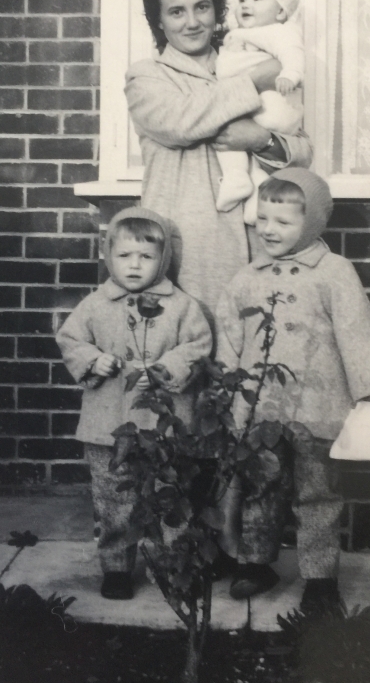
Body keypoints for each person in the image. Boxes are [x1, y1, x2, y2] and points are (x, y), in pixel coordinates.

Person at [216, 168, 370, 612]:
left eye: (284, 221)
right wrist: (227, 394)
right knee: (261, 487)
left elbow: (357, 332)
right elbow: (229, 339)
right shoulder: (248, 278)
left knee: (318, 494)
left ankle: (319, 576)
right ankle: (256, 563)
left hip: (320, 406)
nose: (269, 230)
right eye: (263, 219)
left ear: (312, 223)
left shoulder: (334, 272)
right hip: (263, 411)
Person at [125, 0, 312, 323]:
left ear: (217, 10)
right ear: (159, 21)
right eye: (177, 12)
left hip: (259, 243)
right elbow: (180, 120)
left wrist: (262, 140)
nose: (192, 22)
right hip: (190, 251)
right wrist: (254, 82)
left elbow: (302, 150)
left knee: (259, 362)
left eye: (202, 7)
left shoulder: (246, 57)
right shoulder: (147, 77)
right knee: (192, 356)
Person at [56, 207, 212, 600]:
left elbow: (197, 346)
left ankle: (171, 567)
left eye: (146, 256)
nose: (134, 265)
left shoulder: (181, 306)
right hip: (108, 427)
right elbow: (70, 339)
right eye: (124, 255)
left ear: (164, 260)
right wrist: (95, 359)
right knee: (113, 501)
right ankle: (117, 568)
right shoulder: (96, 304)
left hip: (163, 429)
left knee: (169, 497)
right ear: (109, 255)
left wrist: (165, 367)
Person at [215, 0, 304, 224]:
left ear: (280, 11)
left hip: (272, 105)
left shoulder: (279, 31)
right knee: (254, 157)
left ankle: (234, 176)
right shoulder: (247, 33)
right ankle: (254, 201)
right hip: (264, 108)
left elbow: (293, 52)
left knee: (227, 127)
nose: (246, 5)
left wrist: (290, 73)